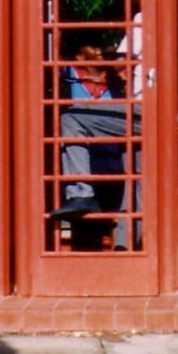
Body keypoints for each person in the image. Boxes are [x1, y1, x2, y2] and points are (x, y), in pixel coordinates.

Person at [53, 32, 140, 248]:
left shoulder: (116, 77)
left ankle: (124, 248)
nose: (99, 50)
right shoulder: (67, 76)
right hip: (82, 160)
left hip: (113, 158)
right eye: (92, 46)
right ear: (78, 56)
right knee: (85, 217)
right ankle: (84, 259)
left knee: (129, 193)